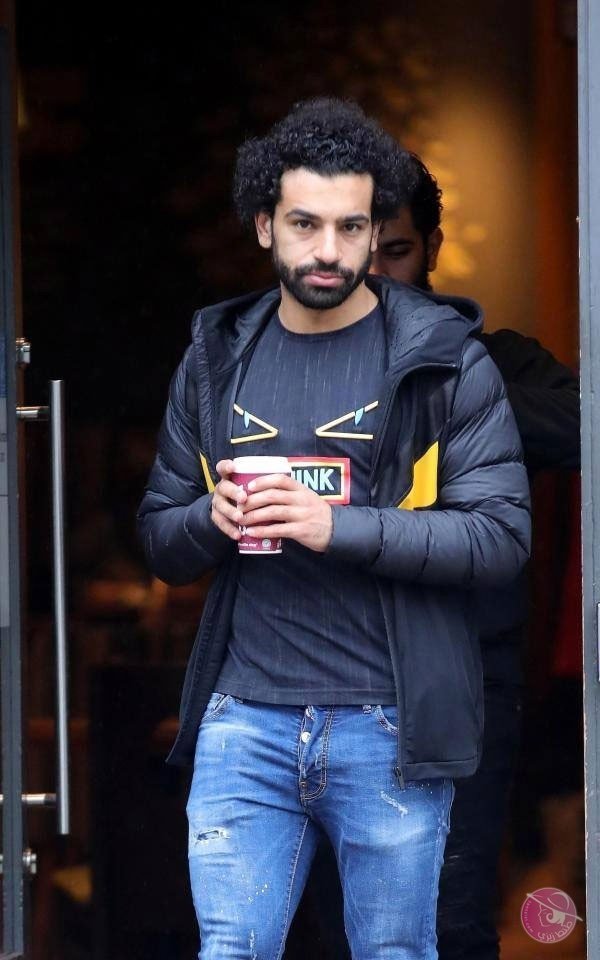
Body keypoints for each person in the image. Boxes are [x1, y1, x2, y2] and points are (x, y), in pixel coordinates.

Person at [137, 98, 530, 960]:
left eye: (352, 227)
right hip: (244, 723)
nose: (328, 250)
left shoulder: (443, 361)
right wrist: (210, 517)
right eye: (305, 224)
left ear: (376, 229)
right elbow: (162, 540)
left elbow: (499, 537)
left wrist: (335, 526)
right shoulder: (214, 359)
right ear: (264, 226)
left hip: (388, 726)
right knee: (230, 951)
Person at [370, 154, 579, 960]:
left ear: (432, 248)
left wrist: (444, 387)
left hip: (462, 677)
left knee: (449, 921)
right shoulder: (285, 364)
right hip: (320, 676)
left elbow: (582, 425)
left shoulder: (494, 361)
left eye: (396, 252)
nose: (375, 278)